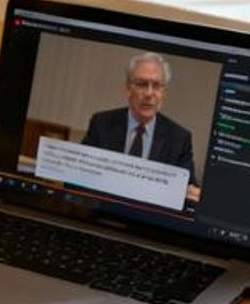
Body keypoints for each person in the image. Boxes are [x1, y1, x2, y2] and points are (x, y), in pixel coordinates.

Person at [81, 52, 200, 202]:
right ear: (128, 88)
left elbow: (188, 191)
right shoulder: (102, 123)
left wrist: (193, 195)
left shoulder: (179, 138)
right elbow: (81, 173)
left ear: (164, 92)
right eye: (142, 84)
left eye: (157, 86)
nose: (149, 93)